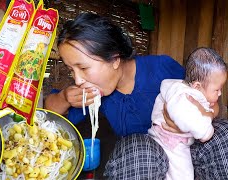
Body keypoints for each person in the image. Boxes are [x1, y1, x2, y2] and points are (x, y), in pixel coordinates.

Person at [44, 12, 228, 179]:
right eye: (71, 70)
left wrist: (198, 117)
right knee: (137, 148)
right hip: (145, 163)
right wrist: (64, 98)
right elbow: (48, 112)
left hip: (189, 148)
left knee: (222, 135)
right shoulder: (92, 93)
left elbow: (213, 104)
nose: (77, 79)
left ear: (115, 59)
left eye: (83, 68)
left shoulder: (162, 68)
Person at [148, 47, 227, 180]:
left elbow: (210, 110)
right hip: (171, 143)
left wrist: (207, 113)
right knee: (183, 174)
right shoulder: (184, 98)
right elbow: (198, 128)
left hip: (174, 138)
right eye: (217, 89)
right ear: (197, 86)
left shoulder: (190, 90)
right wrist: (206, 131)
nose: (220, 94)